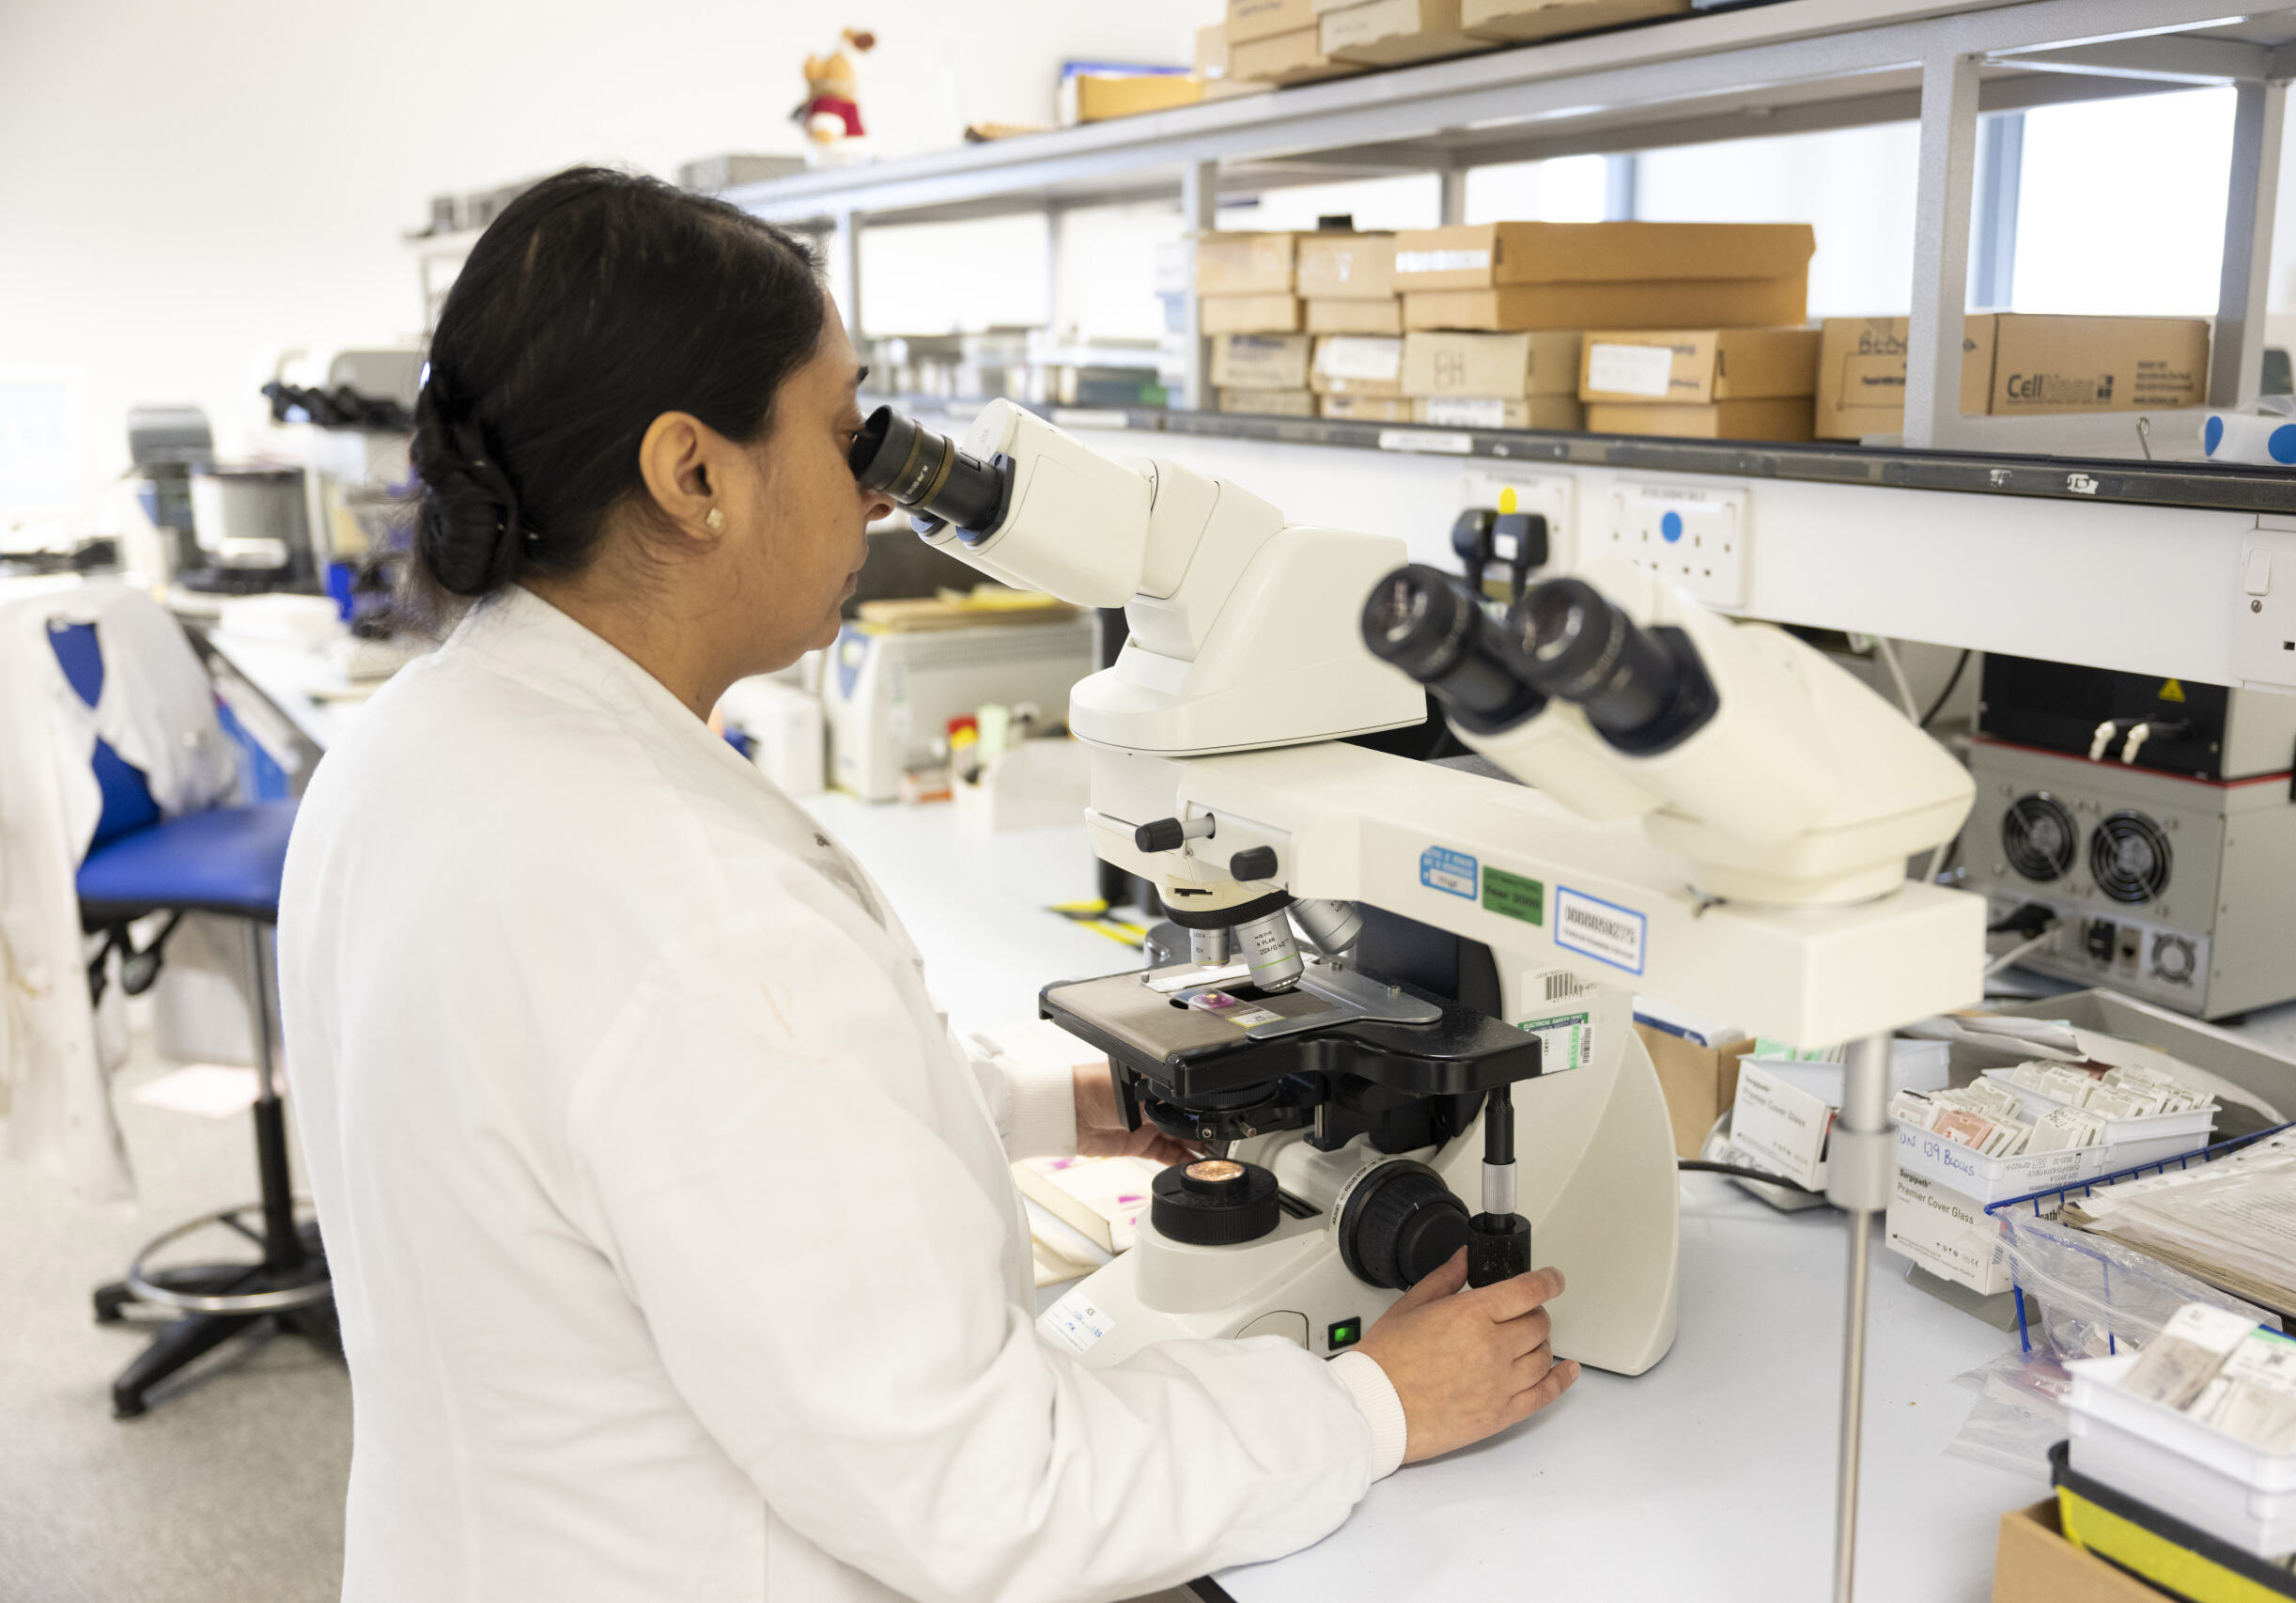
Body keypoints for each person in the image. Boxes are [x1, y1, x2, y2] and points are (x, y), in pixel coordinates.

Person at [279, 166, 1576, 1603]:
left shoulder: (413, 747)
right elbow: (988, 1495)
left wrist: (1043, 1101)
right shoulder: (688, 904)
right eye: (844, 436)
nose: (879, 486)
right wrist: (1373, 1404)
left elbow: (641, 1136)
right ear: (692, 473)